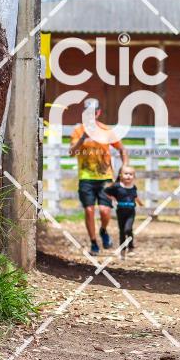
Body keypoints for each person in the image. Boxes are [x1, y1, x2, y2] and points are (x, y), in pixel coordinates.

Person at [69, 98, 129, 255]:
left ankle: (103, 230)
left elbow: (122, 149)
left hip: (105, 177)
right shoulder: (78, 131)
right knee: (89, 210)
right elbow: (71, 152)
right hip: (86, 177)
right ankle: (94, 242)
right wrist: (83, 138)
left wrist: (125, 166)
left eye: (94, 112)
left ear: (98, 112)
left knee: (104, 211)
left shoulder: (105, 130)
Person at [103, 165, 144, 258]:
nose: (128, 176)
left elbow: (135, 196)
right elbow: (106, 191)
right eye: (126, 174)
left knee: (128, 229)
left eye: (131, 174)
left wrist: (140, 203)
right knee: (122, 231)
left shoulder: (133, 187)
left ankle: (131, 247)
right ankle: (122, 249)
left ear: (134, 176)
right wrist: (113, 199)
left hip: (131, 212)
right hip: (120, 211)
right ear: (121, 175)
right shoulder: (117, 186)